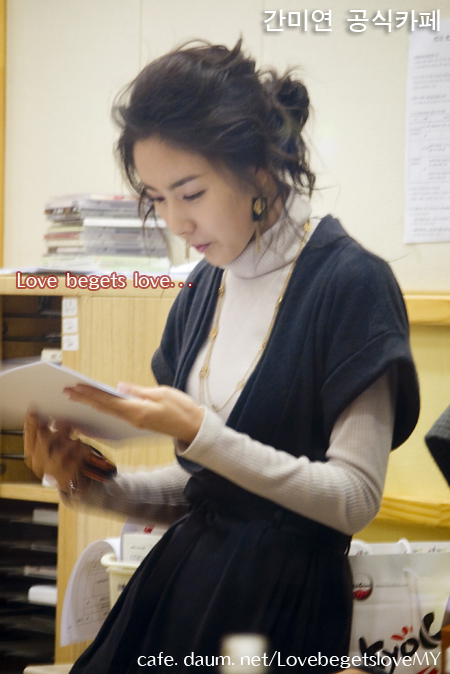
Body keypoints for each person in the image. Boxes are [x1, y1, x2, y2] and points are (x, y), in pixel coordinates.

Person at [24, 40, 420, 673]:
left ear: (258, 170)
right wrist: (91, 486)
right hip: (182, 591)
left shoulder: (351, 284)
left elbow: (354, 497)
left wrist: (201, 432)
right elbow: (208, 494)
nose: (175, 222)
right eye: (157, 197)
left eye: (191, 193)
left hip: (280, 616)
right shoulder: (203, 287)